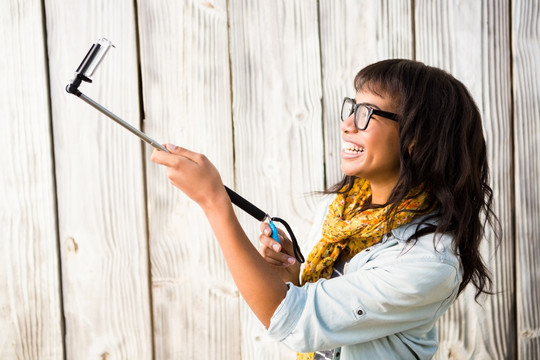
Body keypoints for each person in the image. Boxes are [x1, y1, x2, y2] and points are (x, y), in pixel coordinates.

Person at [151, 59, 499, 359]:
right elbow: (318, 323)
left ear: (417, 138)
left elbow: (295, 322)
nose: (347, 124)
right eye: (352, 107)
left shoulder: (428, 261)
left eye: (367, 114)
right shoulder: (339, 212)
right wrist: (292, 278)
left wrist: (214, 203)